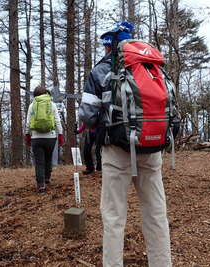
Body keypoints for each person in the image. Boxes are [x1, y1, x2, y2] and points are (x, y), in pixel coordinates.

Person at [78, 21, 172, 267]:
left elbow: (87, 114)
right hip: (151, 147)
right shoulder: (152, 66)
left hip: (116, 149)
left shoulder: (101, 70)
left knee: (113, 216)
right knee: (156, 213)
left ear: (110, 45)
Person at [25, 86, 64, 193]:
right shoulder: (52, 104)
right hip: (50, 137)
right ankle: (47, 178)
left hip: (36, 138)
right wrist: (60, 134)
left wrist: (27, 135)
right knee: (48, 158)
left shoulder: (32, 105)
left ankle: (41, 185)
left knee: (39, 162)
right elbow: (57, 121)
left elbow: (28, 123)